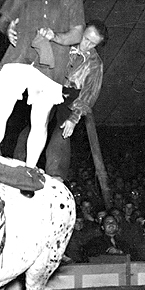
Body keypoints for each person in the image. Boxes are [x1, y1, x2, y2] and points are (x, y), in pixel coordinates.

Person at [0, 0, 85, 169]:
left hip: (50, 65)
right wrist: (7, 27)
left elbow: (77, 33)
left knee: (39, 119)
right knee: (1, 109)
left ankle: (30, 170)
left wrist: (56, 37)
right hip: (19, 57)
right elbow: (3, 18)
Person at [14, 20, 108, 180]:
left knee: (63, 129)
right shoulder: (63, 43)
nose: (86, 45)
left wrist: (74, 118)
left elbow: (89, 93)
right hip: (51, 84)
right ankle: (18, 162)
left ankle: (56, 173)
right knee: (36, 122)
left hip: (71, 95)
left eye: (92, 44)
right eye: (85, 39)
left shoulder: (95, 64)